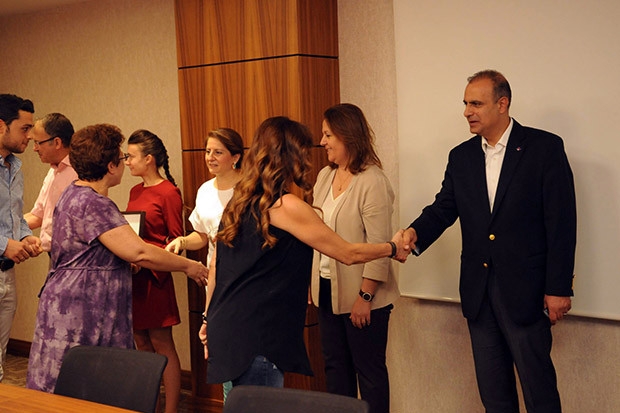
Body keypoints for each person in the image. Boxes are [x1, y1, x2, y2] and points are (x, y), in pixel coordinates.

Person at [399, 70, 576, 413]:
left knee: (539, 393)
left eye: (476, 104)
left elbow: (562, 224)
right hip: (479, 293)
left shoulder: (544, 148)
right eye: (466, 103)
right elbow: (443, 209)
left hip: (527, 293)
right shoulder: (461, 156)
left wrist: (558, 288)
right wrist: (414, 233)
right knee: (494, 396)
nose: (467, 111)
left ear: (502, 104)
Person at [199, 116, 408, 390]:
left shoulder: (239, 201)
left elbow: (216, 267)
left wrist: (208, 318)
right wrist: (392, 247)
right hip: (259, 335)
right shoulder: (286, 206)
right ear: (292, 156)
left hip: (227, 325)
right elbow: (347, 253)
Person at [26, 124, 210, 393]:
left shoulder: (73, 192)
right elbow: (140, 252)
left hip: (67, 300)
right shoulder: (95, 203)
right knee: (83, 387)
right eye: (122, 158)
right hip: (82, 308)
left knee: (65, 385)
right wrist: (189, 266)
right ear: (111, 166)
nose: (125, 163)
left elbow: (95, 252)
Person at [310, 103, 400, 413]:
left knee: (369, 375)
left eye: (328, 135)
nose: (322, 142)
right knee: (336, 370)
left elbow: (380, 245)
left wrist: (365, 296)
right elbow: (315, 233)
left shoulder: (372, 180)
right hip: (326, 291)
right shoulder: (324, 176)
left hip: (363, 295)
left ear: (347, 135)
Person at [166, 127, 244, 402]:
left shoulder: (249, 188)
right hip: (216, 282)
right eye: (208, 151)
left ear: (235, 157)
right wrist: (182, 242)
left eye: (218, 152)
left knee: (245, 355)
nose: (210, 157)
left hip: (244, 281)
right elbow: (201, 235)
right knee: (222, 352)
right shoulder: (205, 190)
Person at [124, 129, 184, 413]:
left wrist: (150, 255)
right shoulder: (135, 191)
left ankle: (170, 409)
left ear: (148, 159)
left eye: (130, 156)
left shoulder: (169, 192)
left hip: (155, 278)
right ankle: (151, 406)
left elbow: (177, 240)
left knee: (162, 343)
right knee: (140, 342)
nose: (126, 162)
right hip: (134, 276)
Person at [0, 94, 43, 383]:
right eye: (24, 129)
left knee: (0, 360)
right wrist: (5, 245)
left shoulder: (14, 168)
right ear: (1, 126)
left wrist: (25, 236)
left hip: (7, 275)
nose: (30, 136)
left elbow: (13, 217)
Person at [24, 113, 77, 254]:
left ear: (57, 142)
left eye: (38, 143)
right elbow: (38, 215)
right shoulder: (53, 171)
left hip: (73, 257)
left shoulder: (80, 171)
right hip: (54, 254)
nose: (34, 148)